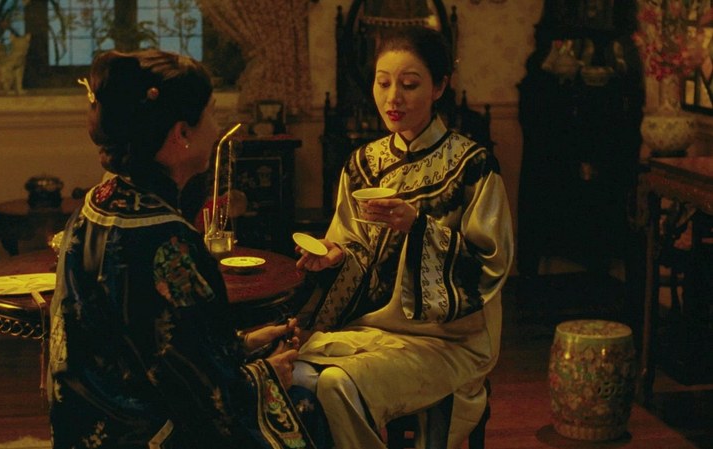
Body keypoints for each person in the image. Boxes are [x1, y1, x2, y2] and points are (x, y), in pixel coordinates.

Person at [48, 49, 319, 449]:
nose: (217, 127)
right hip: (144, 436)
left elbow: (156, 348)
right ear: (182, 134)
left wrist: (241, 344)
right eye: (211, 113)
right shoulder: (168, 241)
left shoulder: (95, 206)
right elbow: (208, 402)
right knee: (308, 405)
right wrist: (267, 375)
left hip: (85, 430)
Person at [292, 26, 514, 449]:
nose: (393, 98)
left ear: (439, 87)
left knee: (337, 383)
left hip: (449, 340)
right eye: (383, 83)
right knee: (295, 371)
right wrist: (336, 257)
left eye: (409, 85)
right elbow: (353, 246)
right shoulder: (362, 164)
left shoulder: (472, 165)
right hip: (373, 329)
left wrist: (419, 227)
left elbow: (490, 265)